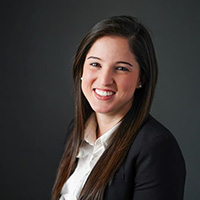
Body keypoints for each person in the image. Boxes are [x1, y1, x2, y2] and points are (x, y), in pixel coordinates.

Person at [51, 15, 186, 200]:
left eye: (121, 68)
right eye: (95, 64)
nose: (104, 80)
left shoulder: (156, 148)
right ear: (81, 69)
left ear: (141, 79)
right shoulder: (76, 129)